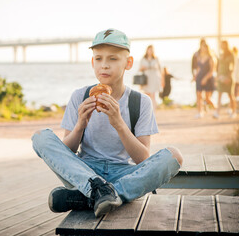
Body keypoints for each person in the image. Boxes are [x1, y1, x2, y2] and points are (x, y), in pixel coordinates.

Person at [31, 29, 183, 218]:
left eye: (113, 59)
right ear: (92, 62)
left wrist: (119, 123)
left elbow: (143, 158)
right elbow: (66, 152)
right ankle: (101, 191)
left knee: (174, 156)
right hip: (84, 172)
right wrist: (80, 125)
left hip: (125, 174)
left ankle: (91, 196)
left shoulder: (140, 102)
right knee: (40, 137)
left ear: (128, 63)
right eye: (99, 59)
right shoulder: (80, 96)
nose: (104, 66)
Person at [192, 41, 216, 118]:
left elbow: (212, 71)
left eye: (204, 48)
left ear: (207, 49)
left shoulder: (211, 58)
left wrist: (205, 79)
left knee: (207, 98)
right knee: (198, 95)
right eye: (201, 48)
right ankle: (200, 112)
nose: (202, 49)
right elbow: (198, 68)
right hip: (199, 78)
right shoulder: (199, 57)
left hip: (208, 79)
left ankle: (216, 109)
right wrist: (195, 77)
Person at [214, 41, 236, 119]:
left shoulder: (231, 55)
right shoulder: (221, 55)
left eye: (223, 45)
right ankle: (217, 112)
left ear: (226, 46)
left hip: (228, 78)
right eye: (221, 45)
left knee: (231, 95)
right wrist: (217, 76)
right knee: (219, 95)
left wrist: (228, 77)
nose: (222, 47)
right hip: (220, 77)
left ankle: (233, 112)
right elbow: (219, 66)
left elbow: (232, 68)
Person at [139, 45, 162, 110]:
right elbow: (139, 69)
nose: (150, 51)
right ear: (147, 50)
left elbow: (160, 69)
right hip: (146, 79)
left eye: (151, 50)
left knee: (153, 94)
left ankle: (153, 110)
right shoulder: (143, 59)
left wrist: (162, 80)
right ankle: (147, 110)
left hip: (154, 78)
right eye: (149, 50)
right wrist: (143, 68)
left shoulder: (156, 58)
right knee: (146, 95)